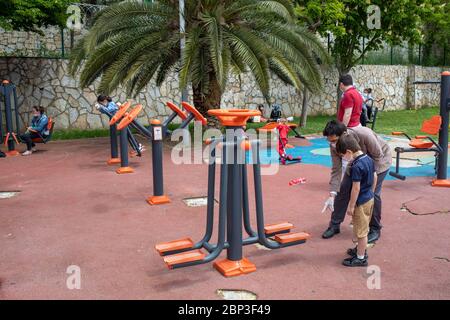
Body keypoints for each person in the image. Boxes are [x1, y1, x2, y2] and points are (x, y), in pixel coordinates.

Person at [321, 120, 391, 243]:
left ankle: (375, 228)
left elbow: (378, 157)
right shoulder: (334, 145)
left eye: (334, 141)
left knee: (371, 194)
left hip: (379, 160)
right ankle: (334, 224)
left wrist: (368, 182)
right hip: (356, 161)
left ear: (344, 133)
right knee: (343, 190)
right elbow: (336, 169)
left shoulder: (364, 134)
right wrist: (332, 194)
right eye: (330, 141)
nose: (332, 145)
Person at [335, 134, 377, 267]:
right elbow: (375, 176)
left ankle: (361, 257)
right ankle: (360, 249)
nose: (343, 158)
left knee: (361, 231)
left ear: (348, 152)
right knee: (363, 227)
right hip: (369, 198)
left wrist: (351, 206)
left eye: (343, 155)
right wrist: (372, 192)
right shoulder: (368, 159)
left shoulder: (356, 166)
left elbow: (355, 188)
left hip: (361, 202)